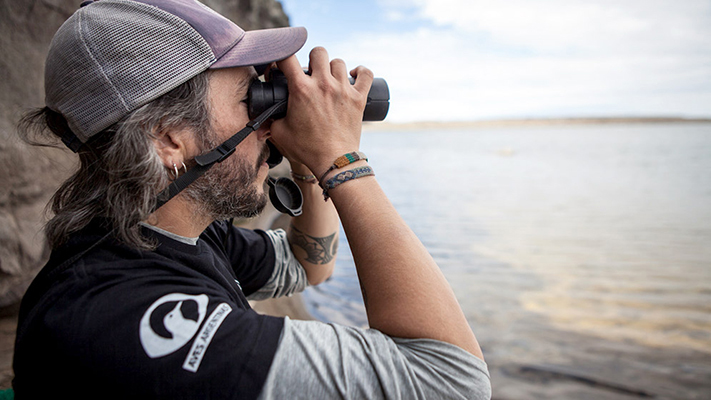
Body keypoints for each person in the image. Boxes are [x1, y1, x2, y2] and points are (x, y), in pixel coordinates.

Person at [13, 0, 491, 398]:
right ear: (167, 137)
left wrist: (307, 159)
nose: (269, 122)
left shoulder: (165, 231)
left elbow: (310, 266)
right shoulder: (122, 316)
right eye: (251, 97)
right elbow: (451, 381)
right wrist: (341, 159)